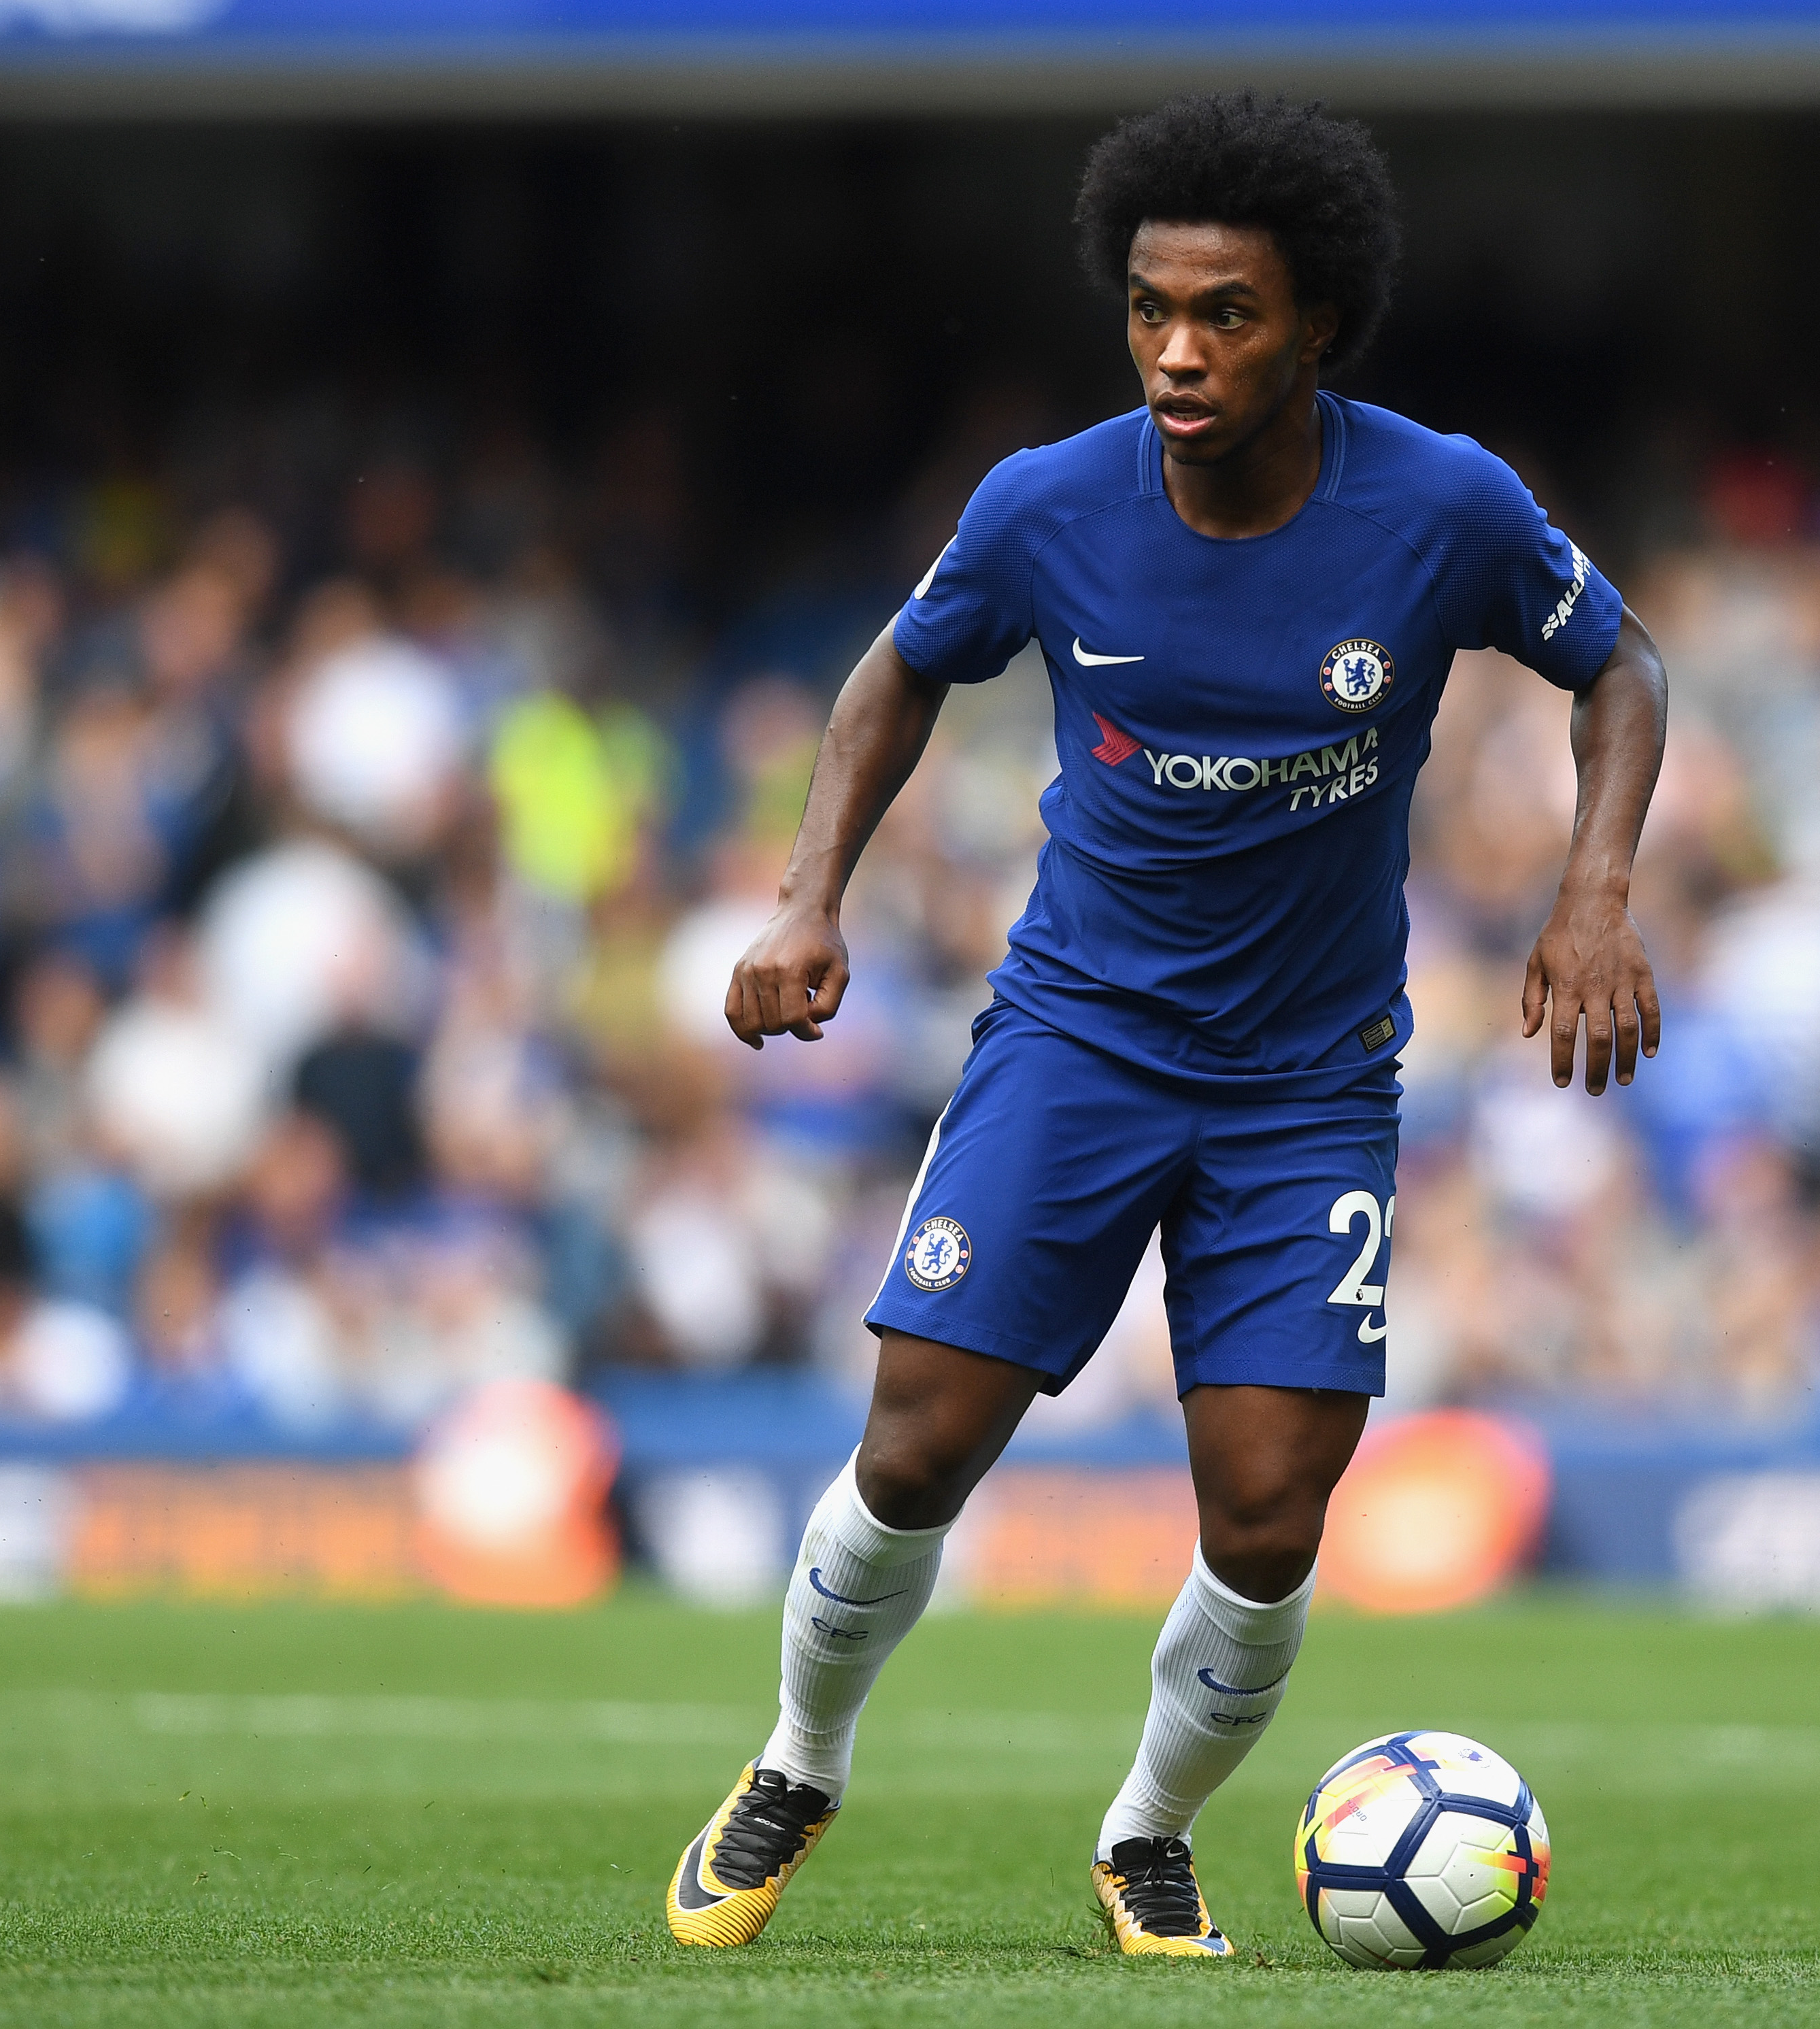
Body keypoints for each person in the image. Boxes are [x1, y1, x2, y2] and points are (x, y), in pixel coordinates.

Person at [667, 91, 1666, 1958]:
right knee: (913, 1448)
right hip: (1080, 1043)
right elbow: (899, 674)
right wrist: (810, 895)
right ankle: (801, 1758)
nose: (1179, 352)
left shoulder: (1441, 503)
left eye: (1227, 315)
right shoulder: (1046, 505)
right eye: (1150, 309)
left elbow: (1620, 660)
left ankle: (1147, 1832)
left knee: (1274, 1511)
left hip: (1306, 1087)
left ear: (1321, 330)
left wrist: (1593, 889)